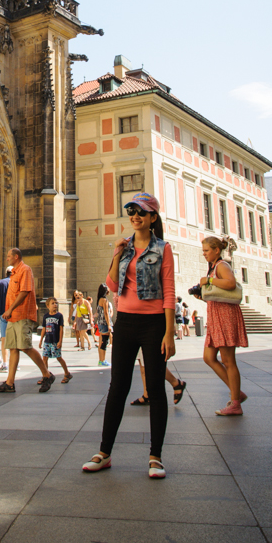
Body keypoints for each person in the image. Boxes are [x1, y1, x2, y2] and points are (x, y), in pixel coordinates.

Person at [82, 192, 175, 480]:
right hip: (125, 322)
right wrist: (116, 254)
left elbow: (169, 292)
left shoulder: (163, 249)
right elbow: (111, 284)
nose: (135, 216)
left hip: (154, 324)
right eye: (132, 211)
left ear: (153, 217)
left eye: (141, 212)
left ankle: (155, 457)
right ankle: (104, 452)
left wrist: (169, 333)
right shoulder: (125, 247)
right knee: (117, 388)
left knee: (155, 390)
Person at [0, 248, 55, 393]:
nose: (7, 258)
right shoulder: (14, 272)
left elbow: (25, 291)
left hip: (22, 315)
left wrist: (10, 309)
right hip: (13, 316)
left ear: (16, 256)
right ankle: (10, 383)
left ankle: (47, 374)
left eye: (9, 256)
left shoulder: (25, 270)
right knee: (13, 348)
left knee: (25, 346)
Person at [200, 235, 248, 416]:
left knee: (228, 361)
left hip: (225, 317)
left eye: (206, 250)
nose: (204, 254)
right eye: (203, 251)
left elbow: (230, 283)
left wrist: (210, 281)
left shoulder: (221, 265)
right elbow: (219, 294)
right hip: (216, 316)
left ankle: (235, 403)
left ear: (216, 250)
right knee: (209, 357)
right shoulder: (214, 267)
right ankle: (237, 393)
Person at [39, 297, 72, 382]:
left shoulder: (59, 316)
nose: (55, 305)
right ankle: (45, 375)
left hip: (55, 341)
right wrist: (41, 340)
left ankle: (67, 373)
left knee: (59, 358)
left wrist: (60, 341)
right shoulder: (46, 316)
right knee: (44, 358)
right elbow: (44, 328)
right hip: (47, 341)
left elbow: (61, 329)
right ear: (48, 306)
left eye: (56, 303)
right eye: (53, 303)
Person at [0, 268, 11, 371]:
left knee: (4, 339)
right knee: (14, 339)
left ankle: (5, 364)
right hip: (15, 314)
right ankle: (15, 364)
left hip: (3, 312)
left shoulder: (1, 282)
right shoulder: (17, 281)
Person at [95, 283, 112, 367]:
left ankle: (100, 360)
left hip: (100, 323)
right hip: (105, 323)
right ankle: (103, 360)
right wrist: (109, 324)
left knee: (101, 341)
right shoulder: (104, 300)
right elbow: (106, 313)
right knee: (104, 342)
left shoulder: (99, 299)